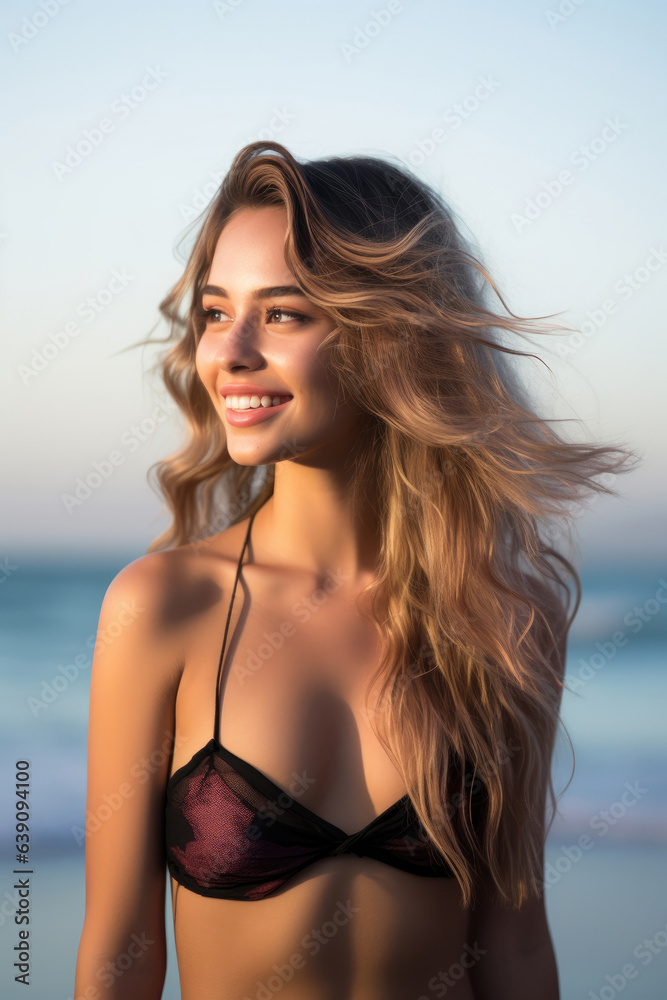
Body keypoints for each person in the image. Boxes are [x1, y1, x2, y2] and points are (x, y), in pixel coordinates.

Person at [74, 141, 638, 999]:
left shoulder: (504, 617)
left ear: (392, 336)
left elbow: (513, 943)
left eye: (285, 314)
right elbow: (119, 949)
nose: (230, 354)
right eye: (216, 313)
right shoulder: (162, 607)